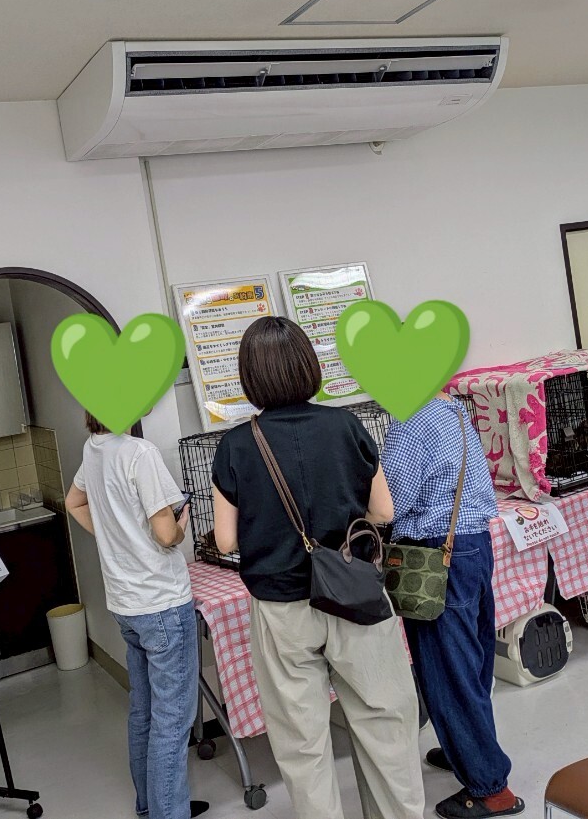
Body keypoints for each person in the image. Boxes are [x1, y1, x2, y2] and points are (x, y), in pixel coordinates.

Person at [211, 317, 425, 819]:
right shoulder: (346, 426)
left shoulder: (235, 446)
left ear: (250, 377)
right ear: (309, 365)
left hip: (281, 607)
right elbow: (384, 512)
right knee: (384, 724)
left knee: (301, 741)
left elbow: (225, 540)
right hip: (355, 594)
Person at [383, 390, 524, 819]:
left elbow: (391, 503)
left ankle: (490, 787)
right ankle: (466, 748)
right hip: (473, 544)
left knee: (447, 670)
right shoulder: (451, 408)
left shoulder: (409, 420)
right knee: (471, 662)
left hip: (434, 552)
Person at [64, 412, 208, 819]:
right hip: (161, 602)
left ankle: (151, 806)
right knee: (172, 720)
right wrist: (180, 526)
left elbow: (74, 502)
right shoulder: (139, 453)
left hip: (126, 605)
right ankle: (169, 813)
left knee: (144, 711)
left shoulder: (93, 449)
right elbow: (166, 535)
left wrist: (118, 537)